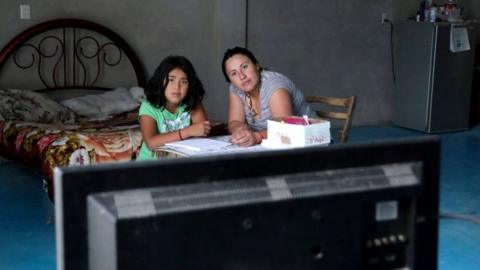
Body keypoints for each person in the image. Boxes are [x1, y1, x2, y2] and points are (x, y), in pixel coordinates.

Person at [222, 46, 315, 147]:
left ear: (256, 65)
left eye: (244, 67)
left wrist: (256, 137)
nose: (242, 76)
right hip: (272, 145)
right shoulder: (236, 88)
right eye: (234, 73)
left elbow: (285, 130)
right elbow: (235, 121)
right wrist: (240, 131)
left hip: (310, 142)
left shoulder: (275, 86)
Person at [136, 55, 211, 160]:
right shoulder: (148, 106)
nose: (177, 87)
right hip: (149, 168)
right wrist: (188, 132)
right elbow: (151, 142)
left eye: (184, 82)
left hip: (180, 165)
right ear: (160, 81)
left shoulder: (192, 103)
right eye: (171, 80)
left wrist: (196, 131)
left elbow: (203, 132)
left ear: (190, 85)